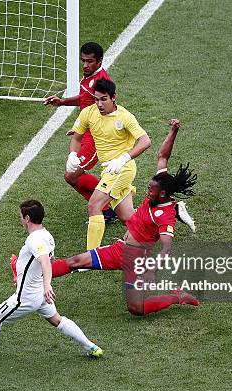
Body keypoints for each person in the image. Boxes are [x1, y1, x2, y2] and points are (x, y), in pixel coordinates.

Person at [44, 119, 200, 316]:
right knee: (76, 261)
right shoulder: (162, 184)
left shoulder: (165, 215)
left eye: (151, 190)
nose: (147, 191)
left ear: (162, 194)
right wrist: (173, 132)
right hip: (120, 248)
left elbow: (167, 247)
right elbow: (162, 156)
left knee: (136, 309)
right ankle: (27, 273)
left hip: (136, 260)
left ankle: (177, 297)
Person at [0, 200, 103, 358]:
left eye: (20, 216)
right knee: (57, 320)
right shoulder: (47, 236)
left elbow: (45, 261)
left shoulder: (34, 240)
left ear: (27, 218)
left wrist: (47, 285)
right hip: (38, 293)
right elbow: (48, 262)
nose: (20, 220)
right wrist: (21, 274)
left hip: (26, 298)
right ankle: (91, 347)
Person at [68, 78, 152, 250]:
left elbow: (145, 141)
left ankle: (91, 256)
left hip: (122, 169)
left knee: (94, 205)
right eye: (96, 99)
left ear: (114, 97)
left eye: (103, 99)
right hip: (107, 170)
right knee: (128, 218)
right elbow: (76, 137)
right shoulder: (88, 113)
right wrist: (72, 154)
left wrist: (123, 159)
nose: (99, 103)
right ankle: (170, 211)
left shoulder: (125, 117)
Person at [44, 42, 117, 223]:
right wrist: (62, 102)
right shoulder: (89, 78)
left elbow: (107, 109)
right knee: (71, 176)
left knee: (71, 175)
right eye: (83, 61)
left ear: (99, 61)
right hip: (86, 132)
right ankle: (107, 209)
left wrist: (83, 126)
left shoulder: (101, 82)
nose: (85, 65)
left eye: (90, 61)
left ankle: (115, 197)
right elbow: (85, 100)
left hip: (96, 137)